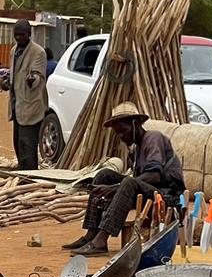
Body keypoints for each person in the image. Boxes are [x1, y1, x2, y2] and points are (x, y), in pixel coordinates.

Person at [63, 103, 185, 256]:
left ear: (135, 124)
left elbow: (154, 176)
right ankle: (91, 234)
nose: (121, 137)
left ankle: (100, 241)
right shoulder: (135, 150)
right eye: (118, 133)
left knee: (128, 183)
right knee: (104, 175)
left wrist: (116, 188)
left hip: (167, 199)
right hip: (151, 194)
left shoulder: (153, 138)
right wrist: (111, 190)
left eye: (123, 131)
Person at [8, 21, 48, 170]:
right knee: (18, 143)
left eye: (22, 35)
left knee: (28, 146)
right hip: (17, 106)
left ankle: (30, 177)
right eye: (16, 35)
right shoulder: (13, 51)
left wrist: (32, 80)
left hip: (31, 106)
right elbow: (15, 75)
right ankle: (23, 173)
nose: (18, 38)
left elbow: (39, 76)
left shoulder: (38, 52)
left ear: (29, 34)